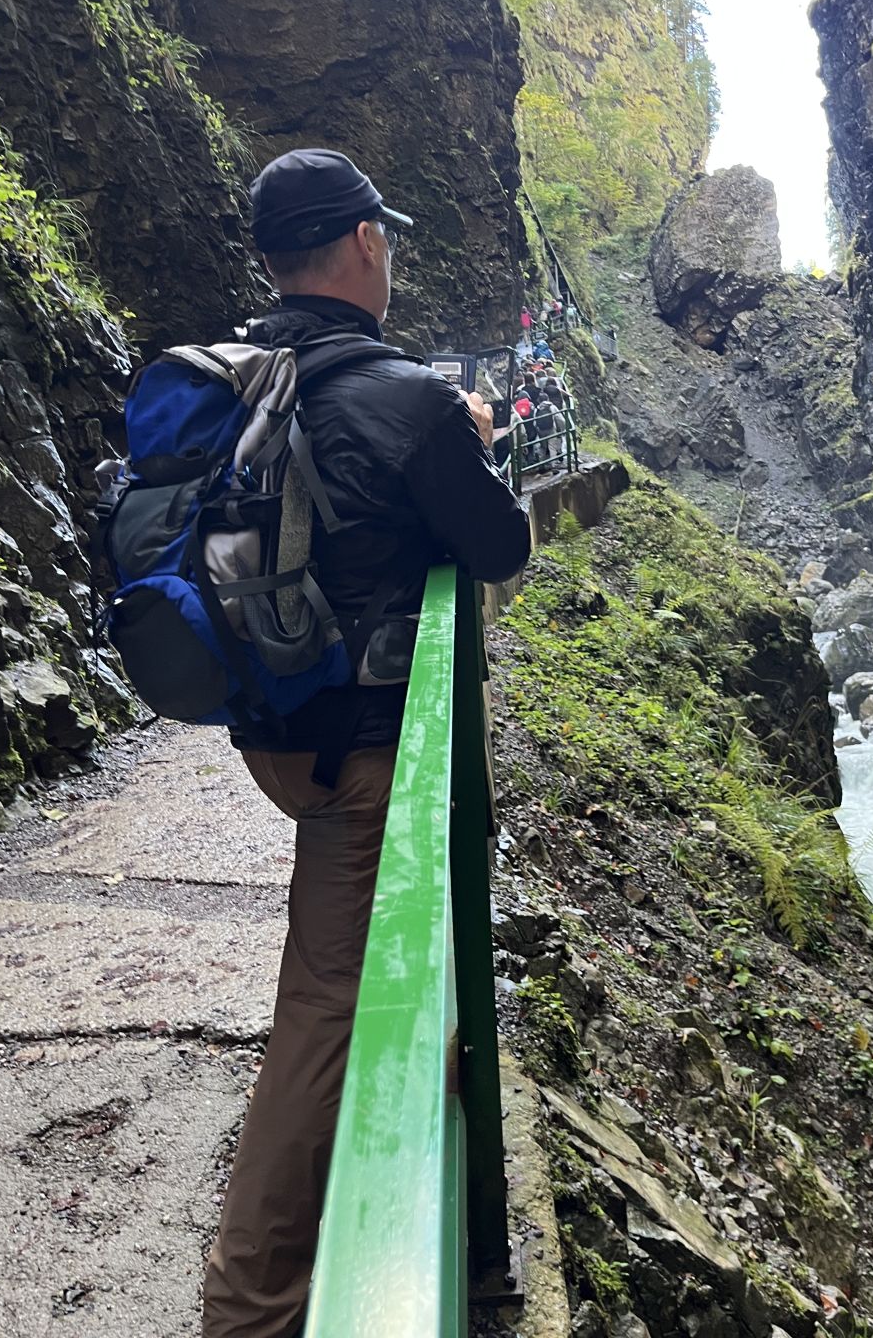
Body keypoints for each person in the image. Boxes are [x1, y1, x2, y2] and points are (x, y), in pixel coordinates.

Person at [202, 148, 531, 1338]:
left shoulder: (247, 377)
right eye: (380, 234)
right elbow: (500, 549)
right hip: (363, 750)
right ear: (361, 244)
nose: (387, 250)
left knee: (350, 968)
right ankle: (251, 1305)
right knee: (330, 1003)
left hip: (270, 728)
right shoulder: (405, 395)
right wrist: (468, 436)